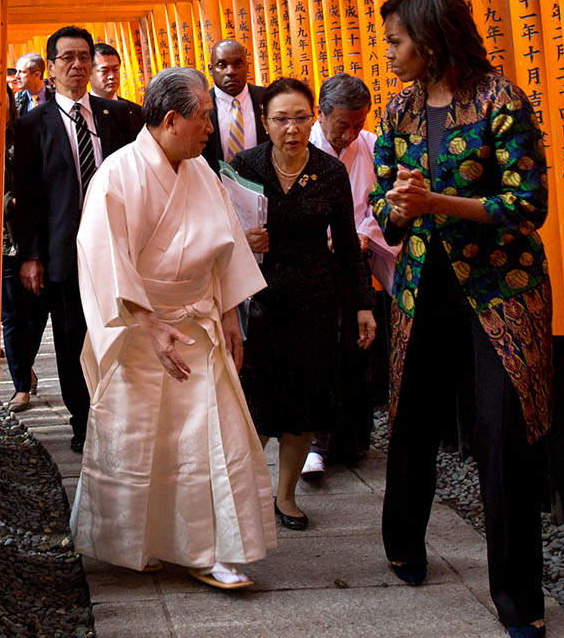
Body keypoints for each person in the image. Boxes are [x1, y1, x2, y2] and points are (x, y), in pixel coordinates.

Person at [369, 0, 554, 638]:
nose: (389, 52)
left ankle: (518, 596)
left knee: (503, 434)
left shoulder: (499, 100)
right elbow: (382, 200)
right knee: (412, 416)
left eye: (396, 40)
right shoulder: (398, 110)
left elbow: (527, 205)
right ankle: (402, 542)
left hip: (500, 290)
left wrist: (436, 203)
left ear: (432, 37)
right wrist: (397, 204)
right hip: (422, 286)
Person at [71, 66, 273, 590]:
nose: (211, 127)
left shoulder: (203, 172)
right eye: (203, 117)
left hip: (199, 327)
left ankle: (213, 549)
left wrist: (229, 313)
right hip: (143, 331)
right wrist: (149, 323)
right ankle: (145, 543)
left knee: (212, 439)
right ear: (170, 119)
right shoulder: (117, 175)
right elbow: (103, 259)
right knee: (143, 443)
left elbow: (225, 246)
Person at [228, 78, 376, 529]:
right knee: (255, 403)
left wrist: (363, 305)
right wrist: (243, 240)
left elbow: (349, 245)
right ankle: (241, 495)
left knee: (305, 402)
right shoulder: (244, 166)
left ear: (313, 117)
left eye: (299, 117)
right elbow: (218, 233)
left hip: (315, 298)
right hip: (259, 299)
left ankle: (286, 495)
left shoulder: (329, 172)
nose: (291, 128)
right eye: (280, 119)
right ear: (265, 122)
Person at [11, 25, 144, 450]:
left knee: (121, 332)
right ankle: (84, 422)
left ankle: (121, 413)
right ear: (50, 68)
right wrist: (31, 255)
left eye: (84, 56)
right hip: (62, 252)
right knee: (71, 337)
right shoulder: (32, 125)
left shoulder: (119, 115)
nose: (77, 65)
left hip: (118, 247)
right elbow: (27, 195)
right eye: (66, 57)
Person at [305, 72, 400, 472]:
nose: (350, 134)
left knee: (355, 348)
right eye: (343, 124)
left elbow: (384, 202)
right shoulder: (300, 147)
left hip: (355, 262)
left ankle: (351, 440)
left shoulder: (373, 147)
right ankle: (315, 441)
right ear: (321, 114)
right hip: (312, 264)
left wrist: (362, 233)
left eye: (358, 124)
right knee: (318, 350)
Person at [0, 91, 47, 412]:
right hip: (3, 240)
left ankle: (25, 362)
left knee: (39, 312)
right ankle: (20, 386)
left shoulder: (28, 132)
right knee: (13, 316)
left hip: (35, 235)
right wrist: (9, 202)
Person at [201, 38, 269, 168]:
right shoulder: (199, 107)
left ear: (247, 66)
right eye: (222, 65)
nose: (231, 72)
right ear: (210, 69)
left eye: (238, 64)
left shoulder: (267, 99)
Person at [90, 42, 135, 107]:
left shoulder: (134, 111)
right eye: (104, 71)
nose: (112, 76)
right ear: (89, 73)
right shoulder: (81, 111)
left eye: (115, 69)